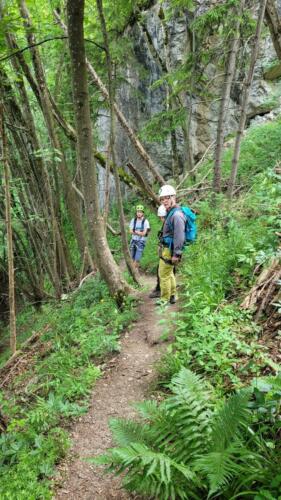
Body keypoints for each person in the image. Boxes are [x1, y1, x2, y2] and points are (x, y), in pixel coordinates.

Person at [157, 185, 186, 305]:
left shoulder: (176, 215)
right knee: (169, 273)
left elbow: (179, 235)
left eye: (167, 198)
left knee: (163, 275)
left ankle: (164, 299)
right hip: (168, 248)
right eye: (162, 199)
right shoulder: (172, 212)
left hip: (171, 250)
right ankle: (173, 295)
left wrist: (177, 254)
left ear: (173, 197)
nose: (164, 201)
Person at [149, 204, 166, 299]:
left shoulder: (169, 222)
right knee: (165, 270)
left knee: (162, 270)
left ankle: (161, 290)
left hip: (169, 250)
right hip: (168, 249)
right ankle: (161, 289)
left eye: (161, 217)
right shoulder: (169, 222)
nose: (160, 219)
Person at [129, 205, 150, 270]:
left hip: (141, 241)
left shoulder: (145, 221)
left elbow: (144, 233)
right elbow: (130, 231)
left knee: (137, 258)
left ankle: (134, 271)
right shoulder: (133, 220)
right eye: (138, 212)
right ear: (136, 212)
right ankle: (133, 271)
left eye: (140, 212)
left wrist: (135, 231)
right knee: (131, 256)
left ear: (143, 213)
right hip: (133, 240)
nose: (139, 213)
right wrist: (139, 233)